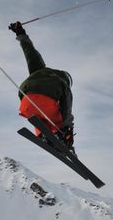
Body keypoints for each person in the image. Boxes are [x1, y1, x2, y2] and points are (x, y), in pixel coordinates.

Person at [9, 21, 75, 152]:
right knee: (57, 117)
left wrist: (20, 33)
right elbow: (66, 106)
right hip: (43, 101)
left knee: (41, 115)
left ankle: (44, 136)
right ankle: (60, 139)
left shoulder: (39, 70)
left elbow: (29, 51)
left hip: (25, 103)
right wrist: (68, 128)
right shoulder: (61, 83)